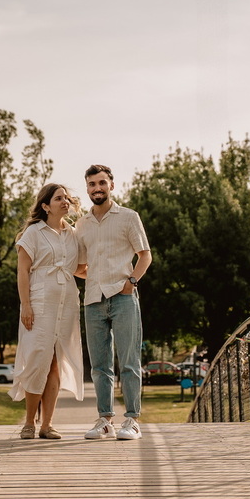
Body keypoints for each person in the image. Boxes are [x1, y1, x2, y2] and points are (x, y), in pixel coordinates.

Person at [75, 164, 152, 441]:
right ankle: (105, 420)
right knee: (99, 366)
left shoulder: (129, 217)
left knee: (129, 361)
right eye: (92, 184)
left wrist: (130, 282)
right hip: (93, 300)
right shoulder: (81, 224)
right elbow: (79, 266)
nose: (97, 188)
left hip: (123, 298)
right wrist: (96, 276)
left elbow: (145, 256)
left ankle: (132, 420)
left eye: (101, 183)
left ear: (111, 185)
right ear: (87, 188)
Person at [9, 183, 85, 439]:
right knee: (37, 361)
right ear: (46, 206)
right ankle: (29, 422)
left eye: (67, 198)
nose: (65, 202)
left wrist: (110, 273)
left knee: (55, 363)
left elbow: (79, 269)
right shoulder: (33, 233)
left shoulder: (73, 234)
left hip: (67, 304)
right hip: (39, 305)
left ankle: (47, 425)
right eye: (59, 198)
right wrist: (26, 305)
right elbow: (22, 271)